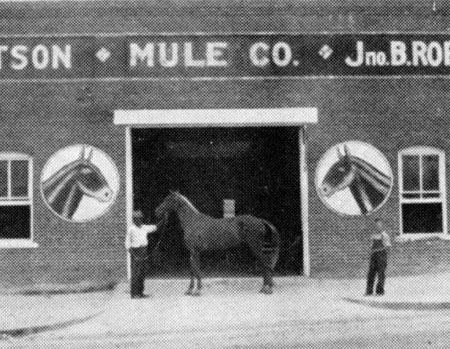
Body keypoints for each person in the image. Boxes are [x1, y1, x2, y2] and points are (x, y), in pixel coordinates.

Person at [125, 210, 157, 299]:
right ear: (134, 220)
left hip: (144, 252)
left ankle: (140, 292)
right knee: (135, 274)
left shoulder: (144, 227)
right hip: (135, 252)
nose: (139, 220)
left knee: (142, 273)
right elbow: (127, 244)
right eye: (137, 219)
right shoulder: (131, 229)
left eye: (140, 219)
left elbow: (155, 227)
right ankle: (134, 294)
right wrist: (134, 256)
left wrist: (163, 219)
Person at [366, 218, 391, 296]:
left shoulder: (385, 235)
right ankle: (369, 291)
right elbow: (371, 246)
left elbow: (388, 247)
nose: (377, 227)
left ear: (382, 226)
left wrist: (384, 257)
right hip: (374, 255)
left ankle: (379, 291)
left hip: (381, 255)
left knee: (381, 273)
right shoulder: (373, 235)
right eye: (376, 225)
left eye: (379, 225)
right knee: (371, 273)